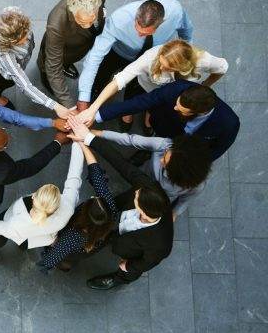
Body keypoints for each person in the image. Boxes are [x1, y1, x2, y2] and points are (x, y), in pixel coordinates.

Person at [81, 133, 175, 290]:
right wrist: (89, 138)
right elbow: (122, 165)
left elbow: (147, 262)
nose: (135, 191)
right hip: (118, 222)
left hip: (127, 249)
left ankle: (118, 279)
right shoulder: (152, 189)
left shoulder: (160, 245)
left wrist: (129, 266)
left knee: (129, 271)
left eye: (137, 197)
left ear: (143, 211)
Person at [68, 118, 212, 219]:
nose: (161, 159)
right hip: (142, 173)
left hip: (154, 195)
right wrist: (94, 133)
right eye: (164, 155)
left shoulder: (196, 186)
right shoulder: (166, 145)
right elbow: (130, 140)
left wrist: (173, 214)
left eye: (166, 163)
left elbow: (183, 201)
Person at [75, 0, 194, 115]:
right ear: (136, 17)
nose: (140, 35)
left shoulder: (176, 11)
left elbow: (186, 31)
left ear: (160, 23)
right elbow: (94, 57)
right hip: (120, 53)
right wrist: (83, 97)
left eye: (146, 33)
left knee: (138, 83)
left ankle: (128, 105)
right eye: (137, 29)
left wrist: (185, 51)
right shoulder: (118, 20)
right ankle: (95, 91)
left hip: (155, 57)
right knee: (103, 73)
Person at [76, 39, 228, 127]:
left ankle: (149, 113)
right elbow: (119, 80)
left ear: (183, 66)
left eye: (168, 67)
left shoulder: (204, 61)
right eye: (161, 62)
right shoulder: (150, 57)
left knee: (158, 109)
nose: (161, 68)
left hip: (175, 95)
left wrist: (206, 85)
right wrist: (92, 109)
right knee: (135, 98)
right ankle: (129, 113)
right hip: (145, 87)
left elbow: (222, 67)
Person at [0, 143, 85, 261]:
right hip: (38, 239)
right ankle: (22, 247)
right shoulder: (68, 206)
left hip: (17, 230)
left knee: (0, 229)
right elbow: (75, 176)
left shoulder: (16, 222)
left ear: (33, 197)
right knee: (25, 242)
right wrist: (79, 143)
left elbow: (1, 229)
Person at [91, 80, 239, 161]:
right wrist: (96, 115)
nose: (175, 107)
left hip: (187, 147)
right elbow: (140, 102)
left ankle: (151, 153)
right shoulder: (176, 89)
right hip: (164, 125)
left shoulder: (229, 124)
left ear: (198, 112)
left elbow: (215, 151)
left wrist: (186, 164)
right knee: (155, 139)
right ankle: (147, 151)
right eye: (177, 103)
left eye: (181, 109)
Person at [37, 142, 116, 273]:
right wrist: (83, 144)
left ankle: (63, 267)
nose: (94, 196)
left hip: (71, 249)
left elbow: (51, 259)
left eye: (91, 200)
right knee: (71, 259)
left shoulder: (73, 236)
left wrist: (51, 245)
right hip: (88, 248)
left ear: (84, 215)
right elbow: (97, 176)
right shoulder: (109, 208)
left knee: (64, 260)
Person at [0, 6, 76, 119]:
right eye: (22, 39)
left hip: (20, 61)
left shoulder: (15, 18)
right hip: (2, 74)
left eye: (26, 32)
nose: (27, 37)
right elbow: (25, 86)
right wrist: (55, 106)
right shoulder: (5, 56)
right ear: (9, 43)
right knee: (0, 84)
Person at [37, 0, 107, 109]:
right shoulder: (56, 24)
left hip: (79, 46)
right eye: (82, 22)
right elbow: (53, 68)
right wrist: (69, 105)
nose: (88, 25)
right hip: (62, 46)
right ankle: (46, 80)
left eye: (92, 19)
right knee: (49, 68)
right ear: (72, 12)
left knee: (70, 58)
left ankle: (66, 65)